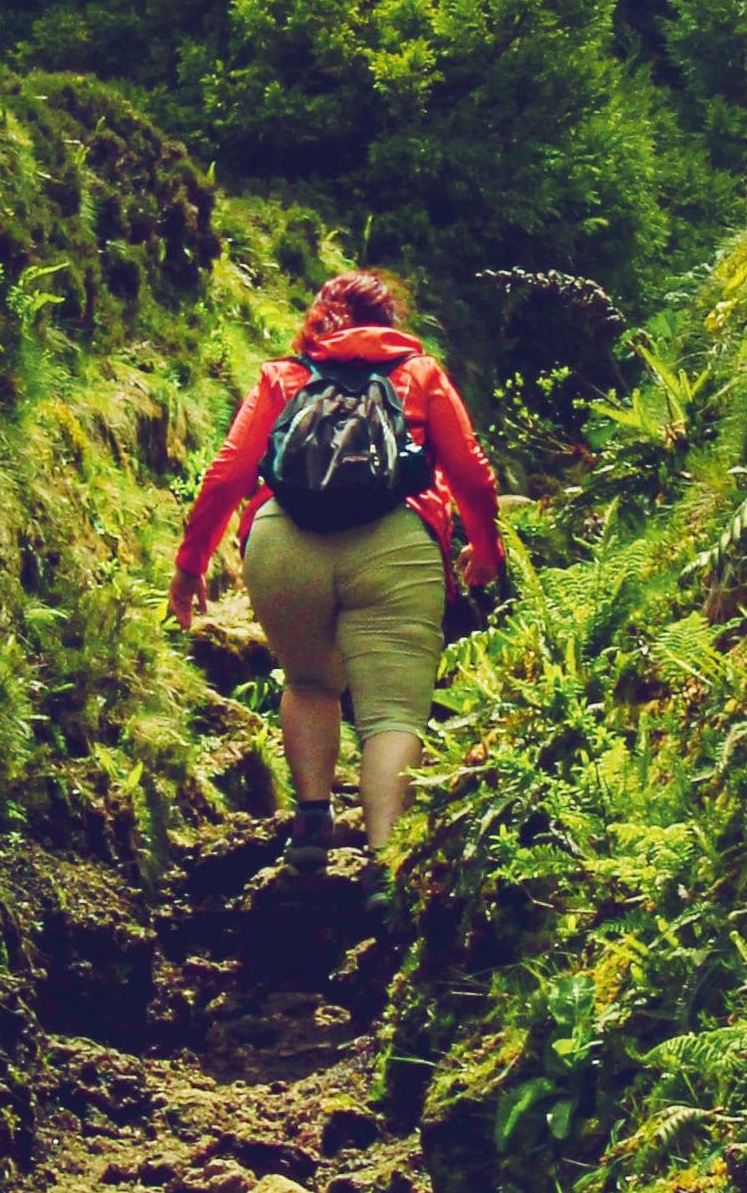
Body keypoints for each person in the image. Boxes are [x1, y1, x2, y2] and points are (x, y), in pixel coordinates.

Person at [165, 267, 506, 875]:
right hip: (396, 543)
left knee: (309, 683)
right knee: (393, 716)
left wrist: (191, 566)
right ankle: (383, 866)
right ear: (389, 321)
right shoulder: (419, 375)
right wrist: (486, 550)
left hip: (284, 541)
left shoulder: (286, 376)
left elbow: (227, 475)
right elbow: (471, 472)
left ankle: (312, 828)